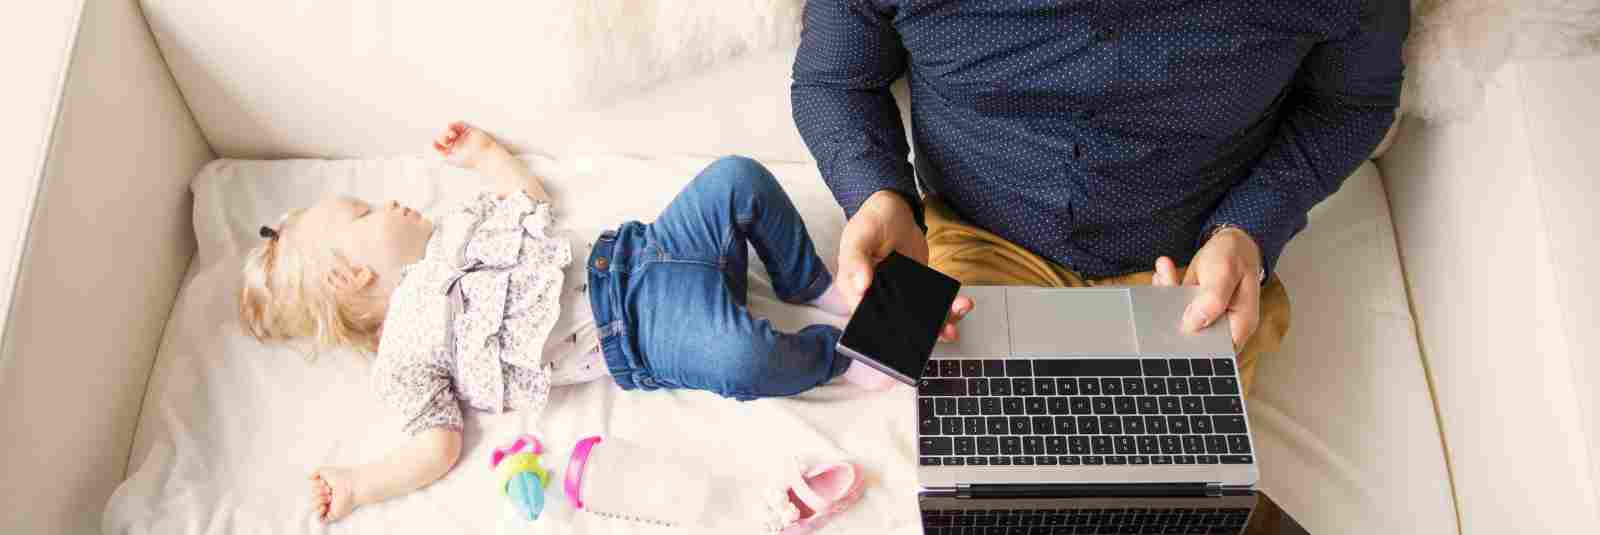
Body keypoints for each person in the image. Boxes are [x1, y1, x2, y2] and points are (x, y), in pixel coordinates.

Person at [238, 122, 894, 529]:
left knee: (736, 177)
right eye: (364, 212)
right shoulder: (407, 352)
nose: (388, 201)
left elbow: (529, 199)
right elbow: (433, 446)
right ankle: (839, 355)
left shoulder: (455, 231)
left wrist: (487, 153)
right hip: (638, 328)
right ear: (346, 278)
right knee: (741, 358)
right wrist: (358, 482)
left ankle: (810, 280)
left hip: (645, 247)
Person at [792, 0, 1409, 393]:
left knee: (1171, 495)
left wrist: (1249, 229)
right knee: (984, 488)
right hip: (979, 232)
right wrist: (879, 196)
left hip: (1193, 263)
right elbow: (834, 79)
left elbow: (1351, 103)